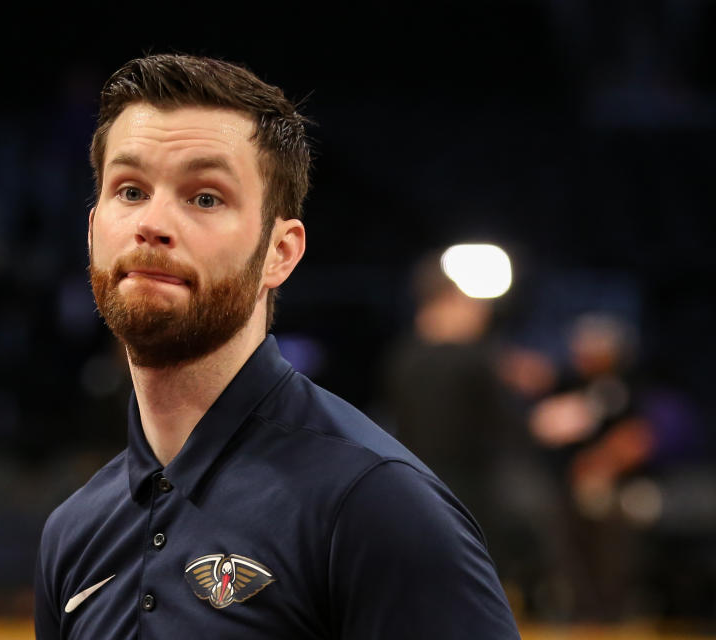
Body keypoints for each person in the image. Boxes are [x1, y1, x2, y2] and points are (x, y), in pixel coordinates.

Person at [35, 54, 520, 639]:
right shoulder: (72, 533)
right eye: (131, 189)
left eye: (205, 197)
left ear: (280, 253)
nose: (153, 223)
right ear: (93, 232)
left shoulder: (376, 506)